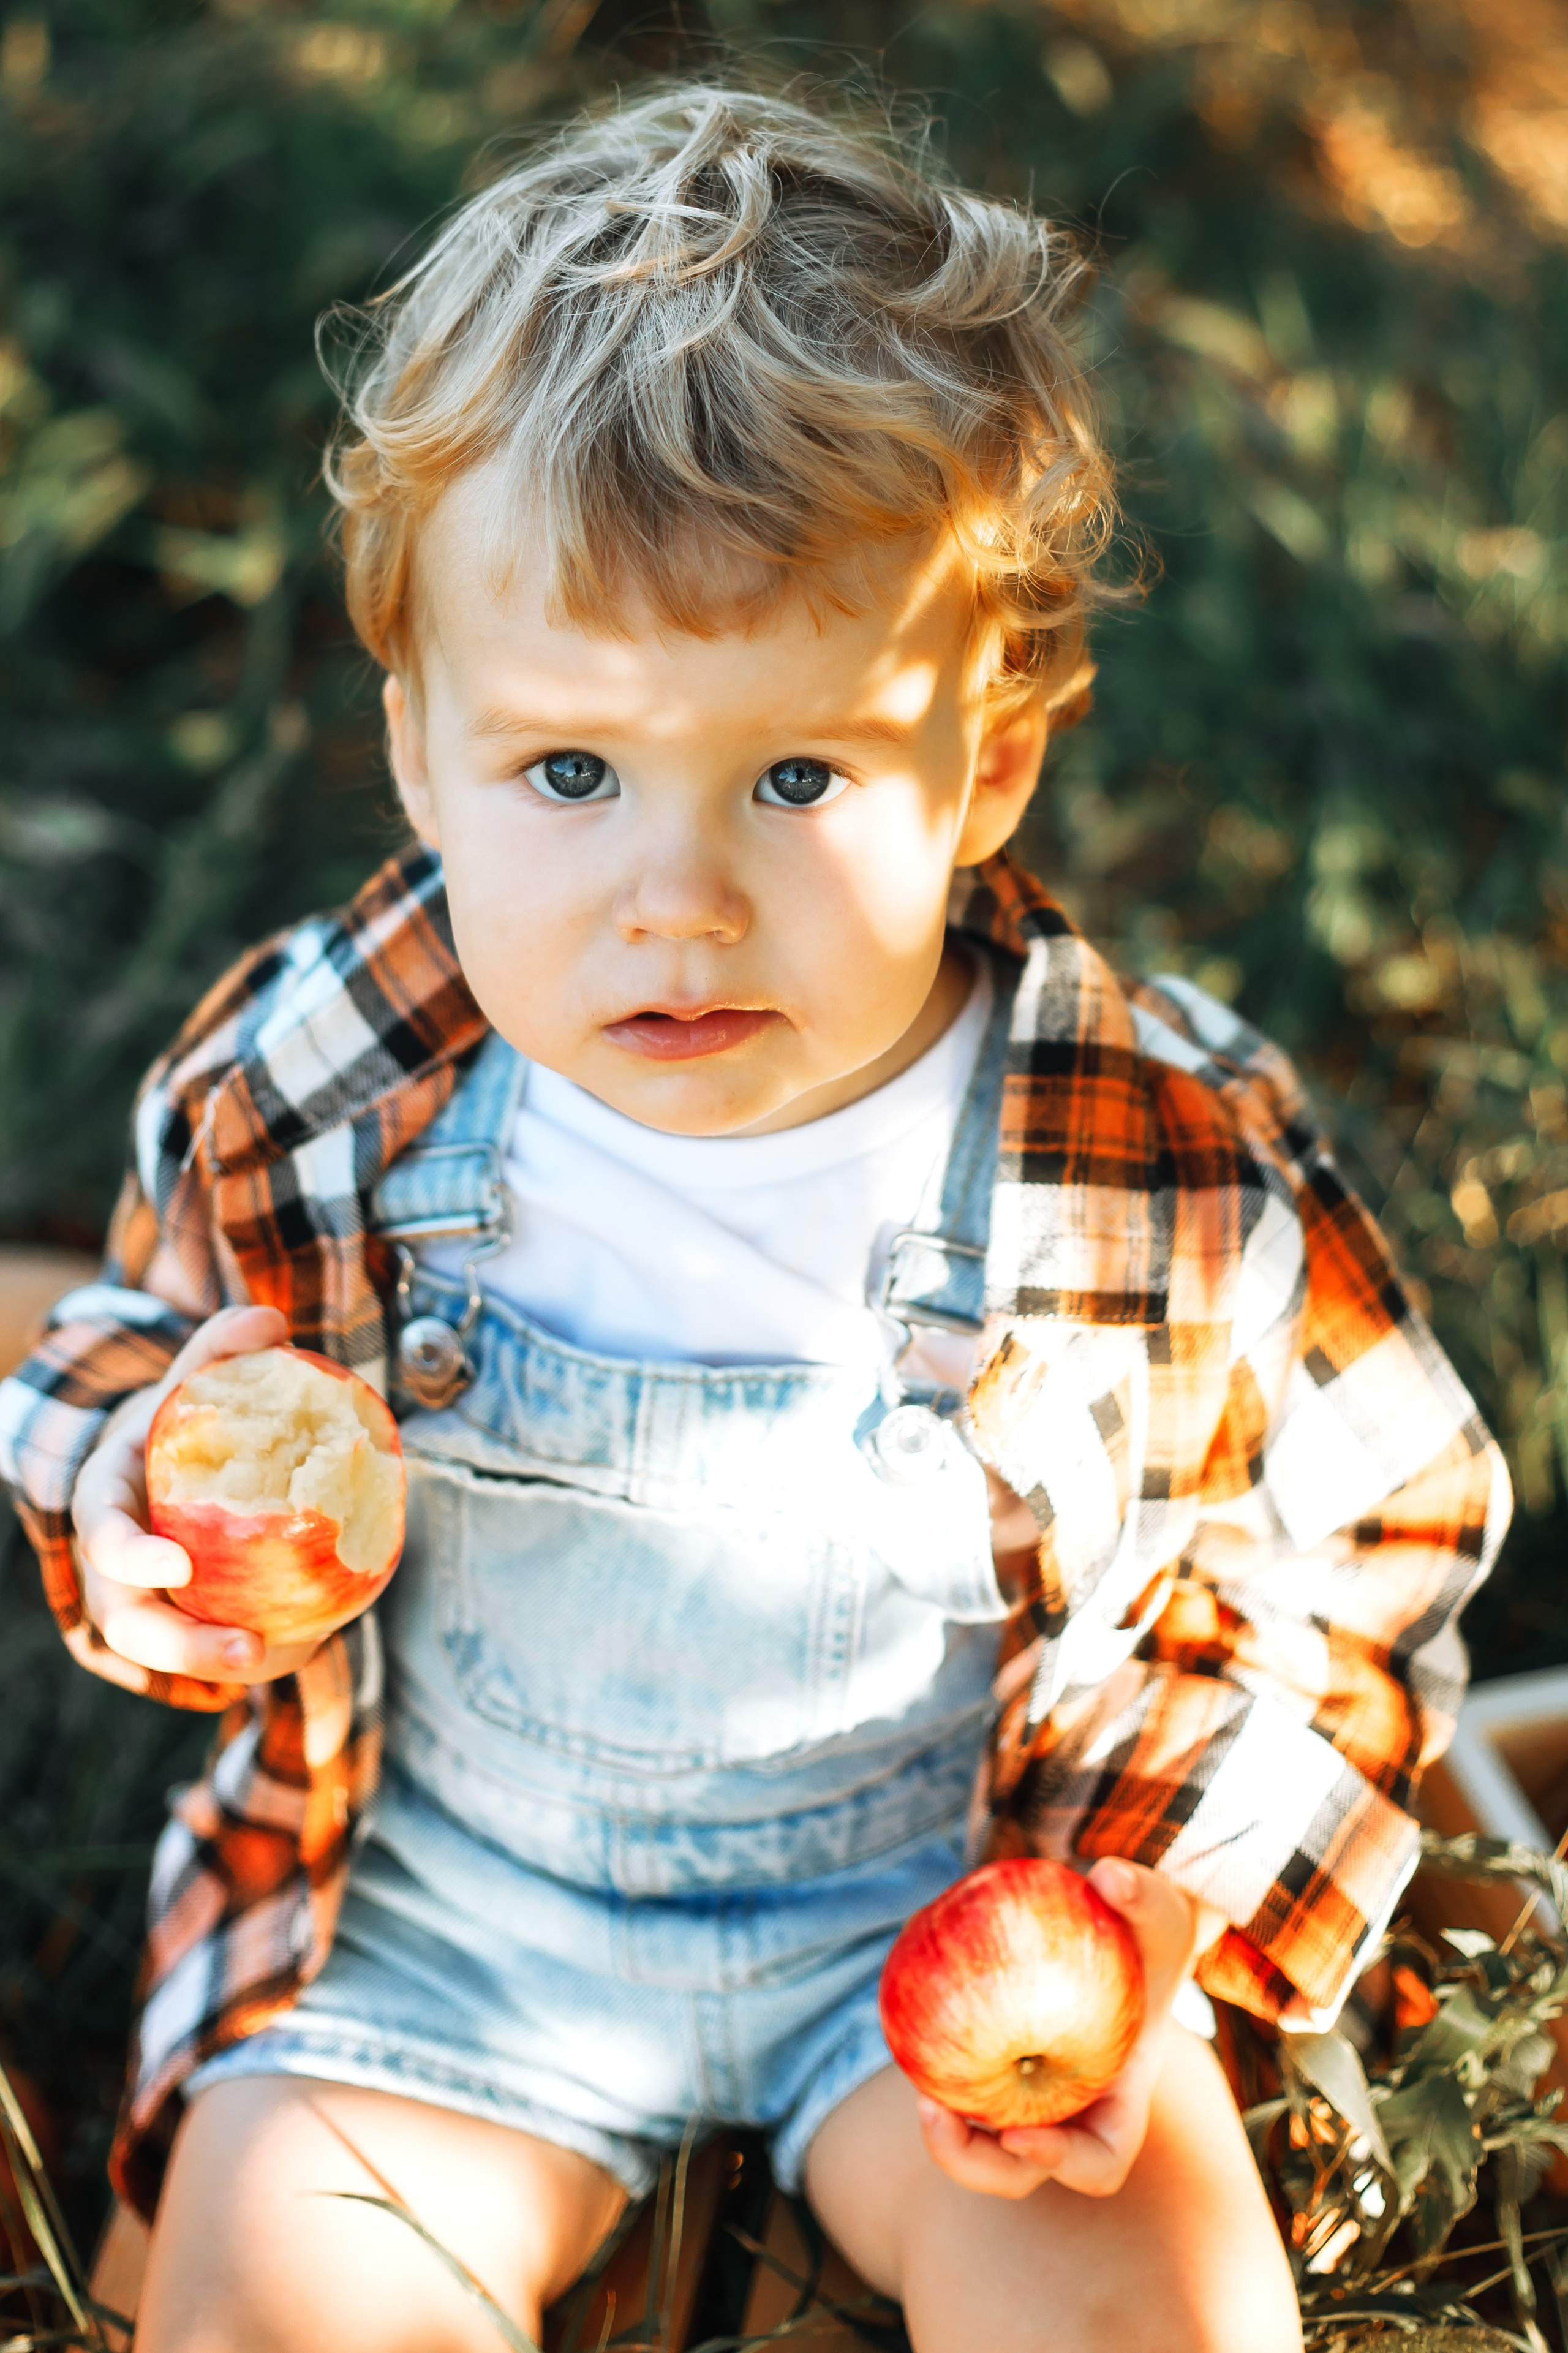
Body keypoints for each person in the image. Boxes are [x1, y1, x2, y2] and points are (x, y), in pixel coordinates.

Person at [0, 82, 1509, 2353]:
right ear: (418, 747)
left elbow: (1359, 1554)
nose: (675, 898)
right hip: (443, 1933)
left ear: (986, 763)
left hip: (936, 1923)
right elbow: (139, 1335)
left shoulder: (1136, 1145)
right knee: (271, 2296)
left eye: (798, 775)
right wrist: (133, 1488)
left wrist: (1154, 1908)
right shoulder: (322, 1076)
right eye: (570, 772)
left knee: (1153, 2295)